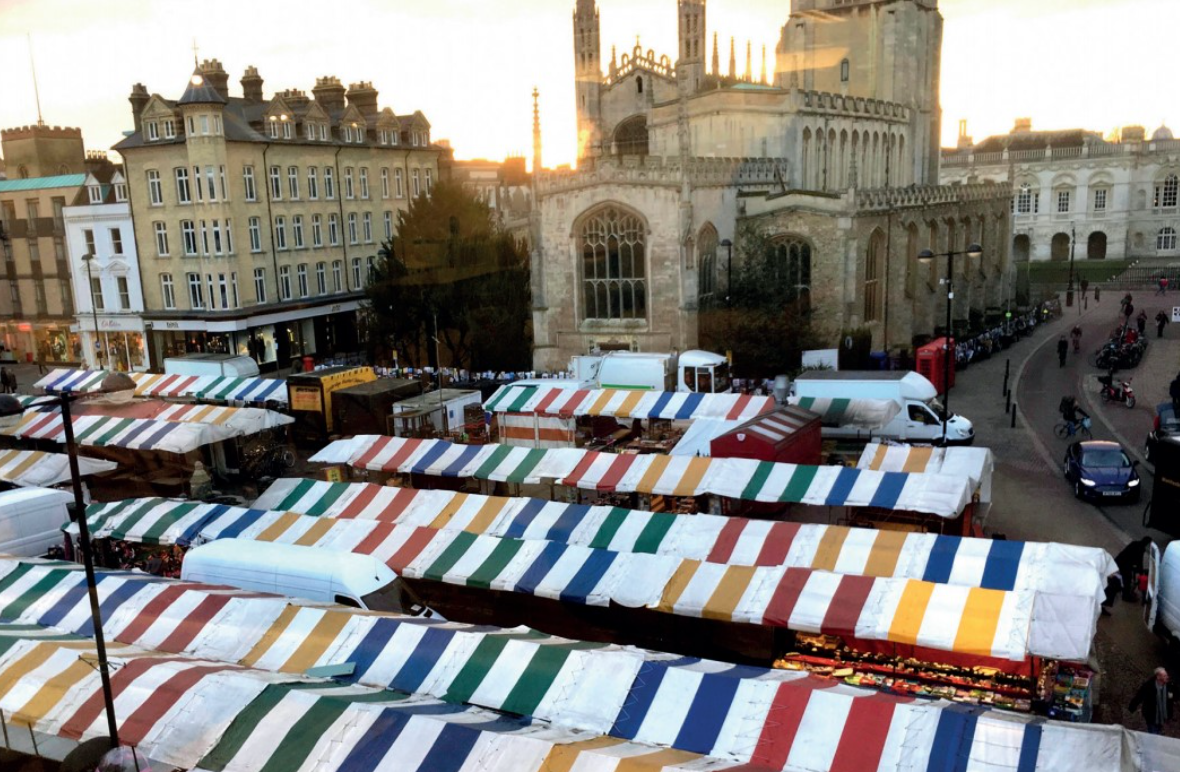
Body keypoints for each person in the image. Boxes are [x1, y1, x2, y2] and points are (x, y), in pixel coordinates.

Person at [1129, 667, 1176, 735]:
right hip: (1151, 714)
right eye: (1165, 676)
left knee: (1157, 730)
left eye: (1167, 675)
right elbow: (1140, 695)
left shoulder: (1170, 686)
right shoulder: (1149, 685)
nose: (1167, 677)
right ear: (1158, 676)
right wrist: (1132, 706)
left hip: (1162, 716)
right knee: (1154, 733)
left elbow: (1174, 697)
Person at [1114, 536, 1153, 601]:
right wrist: (1141, 572)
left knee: (1127, 577)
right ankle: (1125, 596)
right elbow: (1139, 562)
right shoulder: (1141, 549)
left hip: (1120, 560)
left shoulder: (1135, 543)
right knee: (1127, 578)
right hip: (1124, 563)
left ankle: (1126, 592)